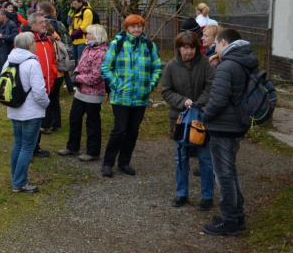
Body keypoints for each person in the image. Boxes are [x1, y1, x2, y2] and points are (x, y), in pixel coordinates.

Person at [201, 29, 257, 235]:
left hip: (224, 127)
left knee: (223, 175)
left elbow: (218, 100)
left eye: (216, 43)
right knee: (230, 171)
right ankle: (237, 216)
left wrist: (204, 116)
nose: (214, 47)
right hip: (238, 123)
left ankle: (230, 221)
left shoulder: (228, 65)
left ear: (224, 42)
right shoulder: (245, 60)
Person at [100, 14, 162, 177]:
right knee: (119, 130)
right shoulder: (117, 44)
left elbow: (157, 68)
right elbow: (106, 68)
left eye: (139, 26)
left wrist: (150, 85)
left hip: (140, 98)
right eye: (133, 26)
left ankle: (124, 162)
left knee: (133, 131)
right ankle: (108, 163)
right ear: (127, 28)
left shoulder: (149, 46)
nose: (136, 29)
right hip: (121, 97)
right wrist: (116, 85)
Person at [162, 31, 215, 210]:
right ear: (179, 48)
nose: (189, 52)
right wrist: (182, 101)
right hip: (180, 120)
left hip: (202, 118)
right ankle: (182, 193)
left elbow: (210, 86)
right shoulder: (171, 66)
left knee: (205, 159)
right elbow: (166, 91)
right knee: (181, 158)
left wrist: (199, 103)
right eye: (185, 47)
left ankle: (207, 196)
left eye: (192, 47)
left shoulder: (205, 64)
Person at [3, 33, 51, 193]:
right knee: (27, 147)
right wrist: (46, 104)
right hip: (31, 111)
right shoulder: (32, 63)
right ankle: (19, 182)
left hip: (14, 109)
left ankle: (15, 177)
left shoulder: (9, 60)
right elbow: (39, 91)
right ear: (30, 45)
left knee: (18, 144)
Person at [58, 24, 109, 160]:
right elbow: (80, 65)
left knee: (92, 122)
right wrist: (75, 74)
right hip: (81, 91)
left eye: (90, 34)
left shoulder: (101, 53)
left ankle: (93, 152)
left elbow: (96, 76)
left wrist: (78, 78)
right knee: (74, 118)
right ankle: (72, 147)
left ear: (97, 35)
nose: (87, 36)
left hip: (93, 94)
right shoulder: (88, 48)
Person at [28, 14, 58, 141]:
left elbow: (52, 61)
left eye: (44, 22)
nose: (44, 24)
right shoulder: (27, 41)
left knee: (41, 117)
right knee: (32, 121)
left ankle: (36, 146)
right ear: (32, 25)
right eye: (40, 22)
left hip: (47, 86)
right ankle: (31, 148)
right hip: (32, 87)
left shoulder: (48, 40)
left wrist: (53, 75)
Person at [69, 0, 94, 66]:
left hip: (83, 41)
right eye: (73, 4)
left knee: (82, 61)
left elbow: (85, 27)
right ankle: (75, 75)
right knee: (73, 61)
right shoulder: (77, 11)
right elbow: (73, 25)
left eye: (75, 4)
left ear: (80, 2)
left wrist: (73, 34)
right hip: (75, 41)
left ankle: (81, 75)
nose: (74, 6)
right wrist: (71, 33)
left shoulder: (87, 12)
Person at [0, 8, 19, 75]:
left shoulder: (12, 24)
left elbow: (15, 36)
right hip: (0, 50)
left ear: (4, 16)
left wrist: (3, 36)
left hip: (8, 50)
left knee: (7, 70)